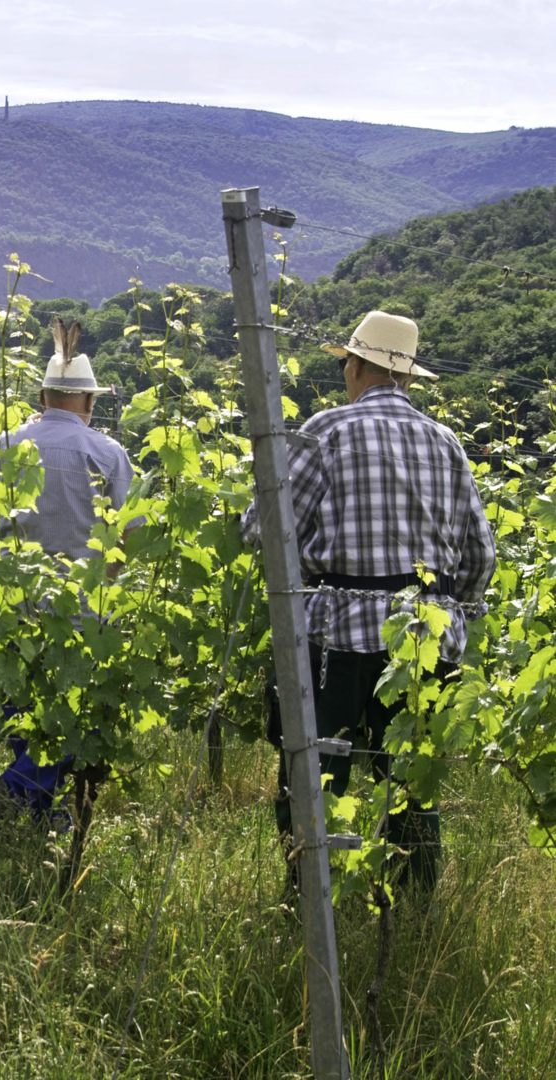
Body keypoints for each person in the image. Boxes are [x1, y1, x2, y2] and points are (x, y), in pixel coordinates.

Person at [244, 310, 495, 893]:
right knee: (412, 782)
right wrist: (449, 611)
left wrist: (317, 564)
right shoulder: (447, 443)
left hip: (335, 634)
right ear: (406, 378)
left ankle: (308, 900)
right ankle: (414, 908)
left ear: (356, 366)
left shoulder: (326, 430)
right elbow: (480, 556)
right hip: (427, 639)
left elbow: (264, 529)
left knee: (313, 774)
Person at [0, 318, 133, 825]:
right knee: (70, 709)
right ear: (88, 403)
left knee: (22, 704)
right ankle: (19, 792)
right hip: (84, 608)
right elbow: (126, 534)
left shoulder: (5, 446)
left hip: (14, 603)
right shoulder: (108, 454)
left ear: (42, 396)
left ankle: (42, 812)